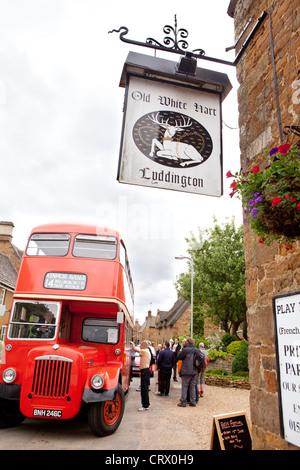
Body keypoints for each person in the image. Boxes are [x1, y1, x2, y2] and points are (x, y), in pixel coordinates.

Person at [130, 341, 151, 411]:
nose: (140, 346)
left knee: (144, 389)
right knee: (145, 388)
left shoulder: (144, 351)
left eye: (141, 345)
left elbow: (135, 349)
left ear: (144, 346)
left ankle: (145, 405)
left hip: (145, 370)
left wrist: (133, 344)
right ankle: (147, 404)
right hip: (146, 370)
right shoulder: (147, 350)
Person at [176, 337, 198, 407]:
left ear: (187, 342)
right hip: (194, 371)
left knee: (185, 386)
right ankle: (193, 402)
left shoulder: (185, 350)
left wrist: (179, 351)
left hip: (186, 370)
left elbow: (179, 356)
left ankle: (183, 402)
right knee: (192, 386)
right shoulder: (195, 350)